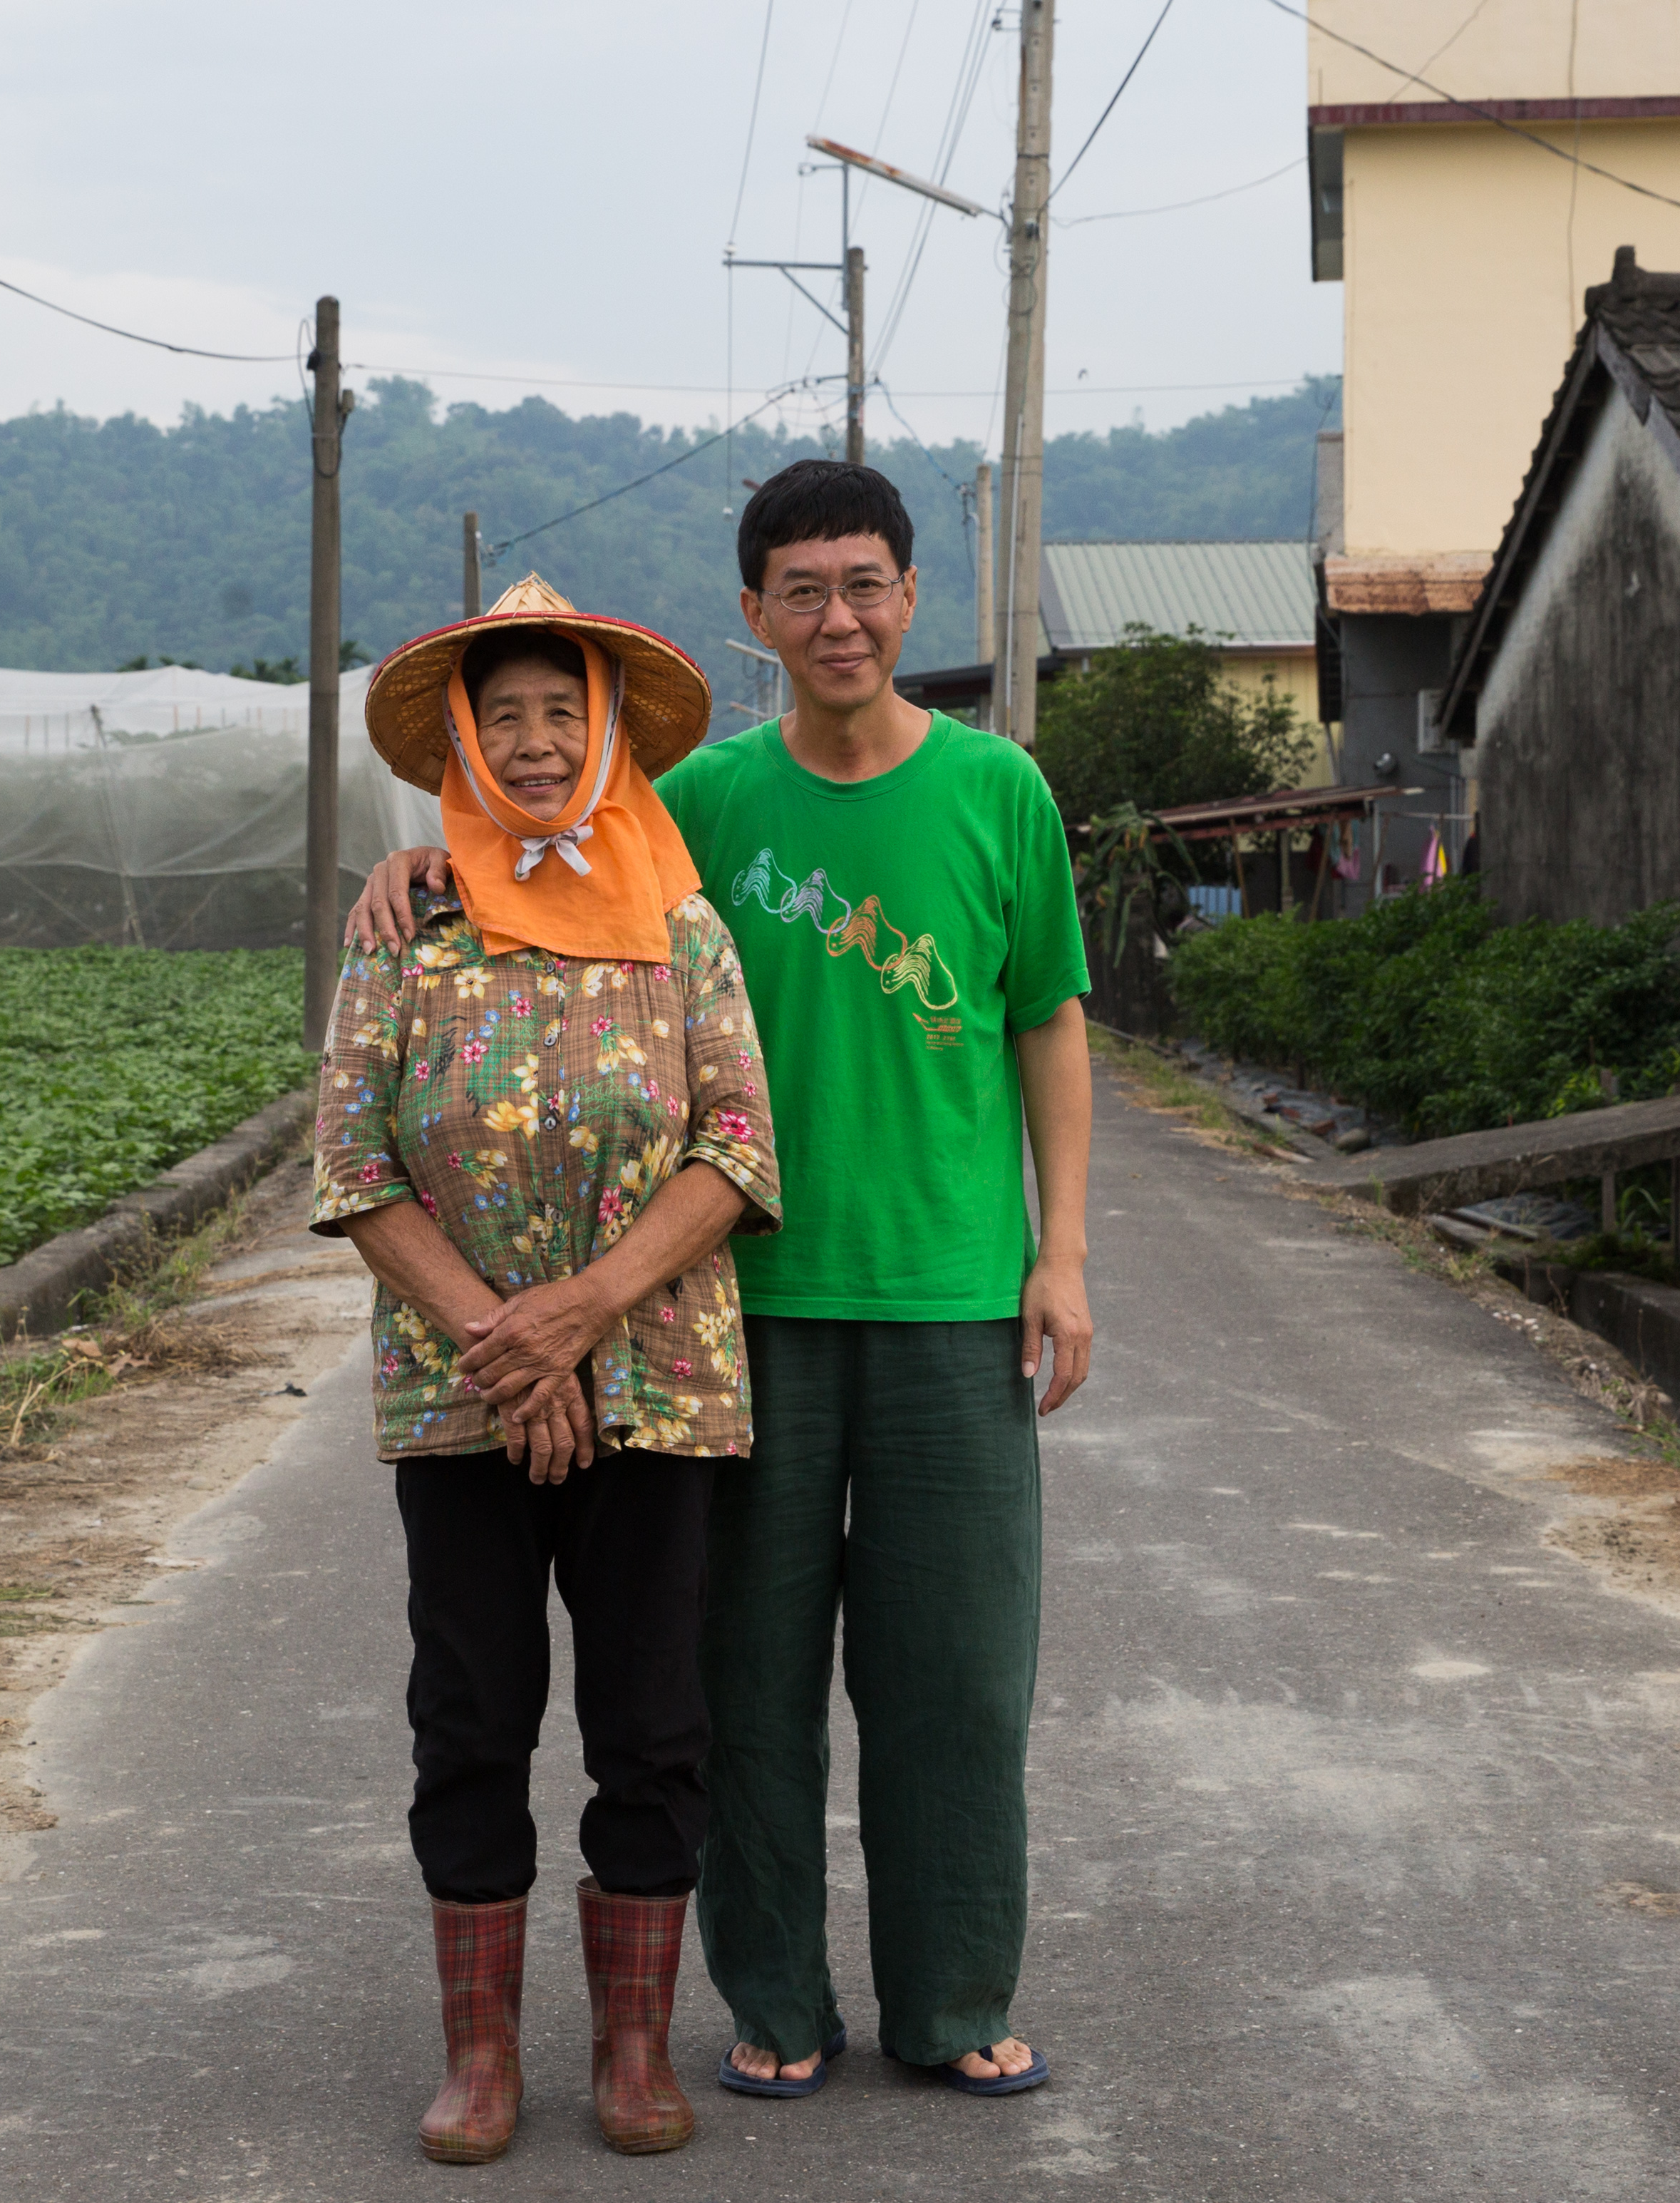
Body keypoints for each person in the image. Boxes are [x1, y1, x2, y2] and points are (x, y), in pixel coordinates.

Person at [349, 460, 1093, 2101]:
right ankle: (769, 2003)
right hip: (735, 1321)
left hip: (950, 1295)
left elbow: (1047, 1014)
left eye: (867, 584)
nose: (840, 616)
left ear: (911, 598)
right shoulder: (698, 809)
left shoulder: (999, 794)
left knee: (956, 1678)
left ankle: (955, 2001)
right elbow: (540, 852)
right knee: (740, 1681)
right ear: (752, 618)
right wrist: (411, 869)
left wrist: (1062, 1254)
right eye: (803, 590)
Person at [311, 575, 781, 2165]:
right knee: (470, 1708)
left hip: (654, 1377)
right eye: (498, 716)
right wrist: (504, 1345)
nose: (528, 742)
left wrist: (579, 1311)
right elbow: (354, 1162)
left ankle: (635, 2055)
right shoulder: (404, 922)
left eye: (557, 715)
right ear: (459, 737)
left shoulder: (683, 925)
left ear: (602, 739)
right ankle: (482, 2059)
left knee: (652, 1715)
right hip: (459, 1393)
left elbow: (734, 1148)